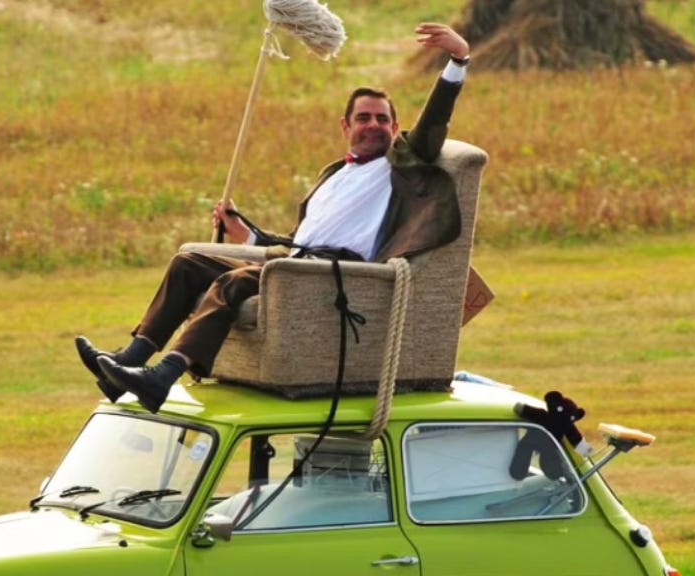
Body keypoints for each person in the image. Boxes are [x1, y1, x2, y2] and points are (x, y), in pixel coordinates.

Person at [76, 22, 472, 413]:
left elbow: (433, 123)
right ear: (345, 126)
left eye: (382, 119)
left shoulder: (398, 166)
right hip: (297, 262)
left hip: (335, 273)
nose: (374, 126)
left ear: (395, 128)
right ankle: (129, 361)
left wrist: (458, 59)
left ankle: (163, 376)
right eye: (364, 118)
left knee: (233, 282)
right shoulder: (333, 176)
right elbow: (299, 242)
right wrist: (246, 235)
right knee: (187, 264)